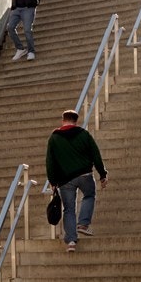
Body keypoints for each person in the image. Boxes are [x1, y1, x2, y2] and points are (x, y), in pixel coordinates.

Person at [45, 109, 108, 254]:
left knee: (69, 209)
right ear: (76, 121)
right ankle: (83, 224)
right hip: (85, 174)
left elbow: (50, 162)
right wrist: (103, 174)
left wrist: (53, 181)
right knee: (89, 195)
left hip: (65, 180)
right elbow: (96, 155)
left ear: (63, 120)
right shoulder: (83, 134)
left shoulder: (54, 138)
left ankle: (71, 241)